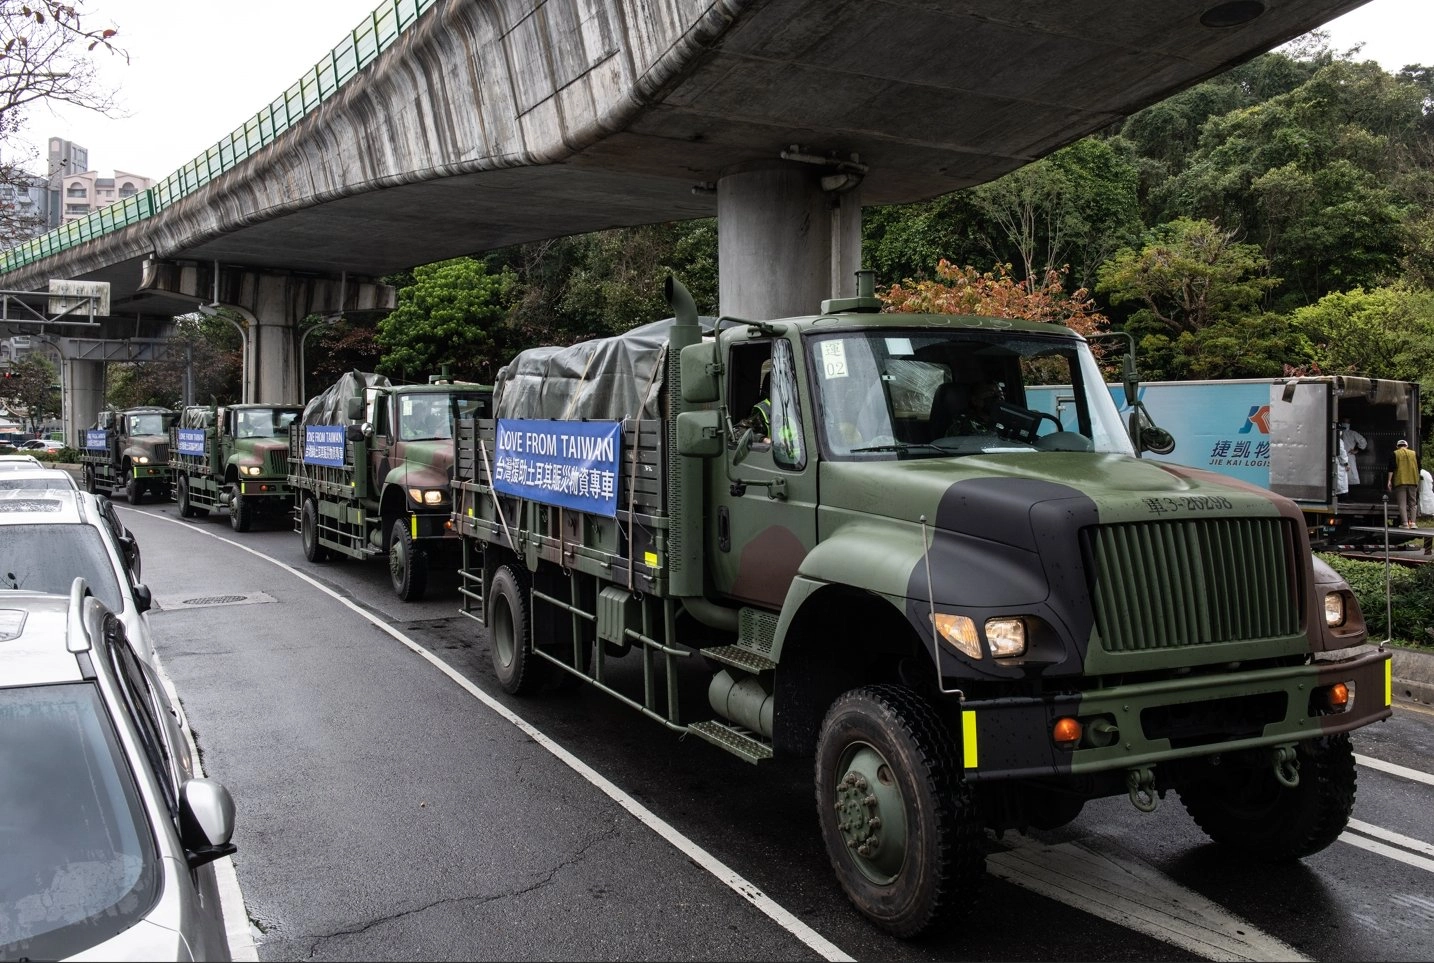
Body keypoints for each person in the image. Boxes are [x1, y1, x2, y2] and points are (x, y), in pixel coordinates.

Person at [1385, 438, 1420, 528]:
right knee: (1413, 503)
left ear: (1397, 446)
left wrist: (1389, 481)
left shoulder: (1395, 453)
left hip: (1401, 481)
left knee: (1402, 504)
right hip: (1413, 481)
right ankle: (1413, 523)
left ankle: (1405, 523)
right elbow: (1419, 467)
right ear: (1407, 446)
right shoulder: (1414, 453)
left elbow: (1391, 468)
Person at [1334, 419, 1368, 496]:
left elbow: (1363, 442)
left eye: (1347, 422)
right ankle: (1344, 496)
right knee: (1343, 478)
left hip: (1349, 457)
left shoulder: (1352, 433)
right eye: (1345, 421)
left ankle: (1348, 495)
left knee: (1348, 478)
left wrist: (1357, 450)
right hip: (1343, 458)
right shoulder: (1338, 438)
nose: (1346, 423)